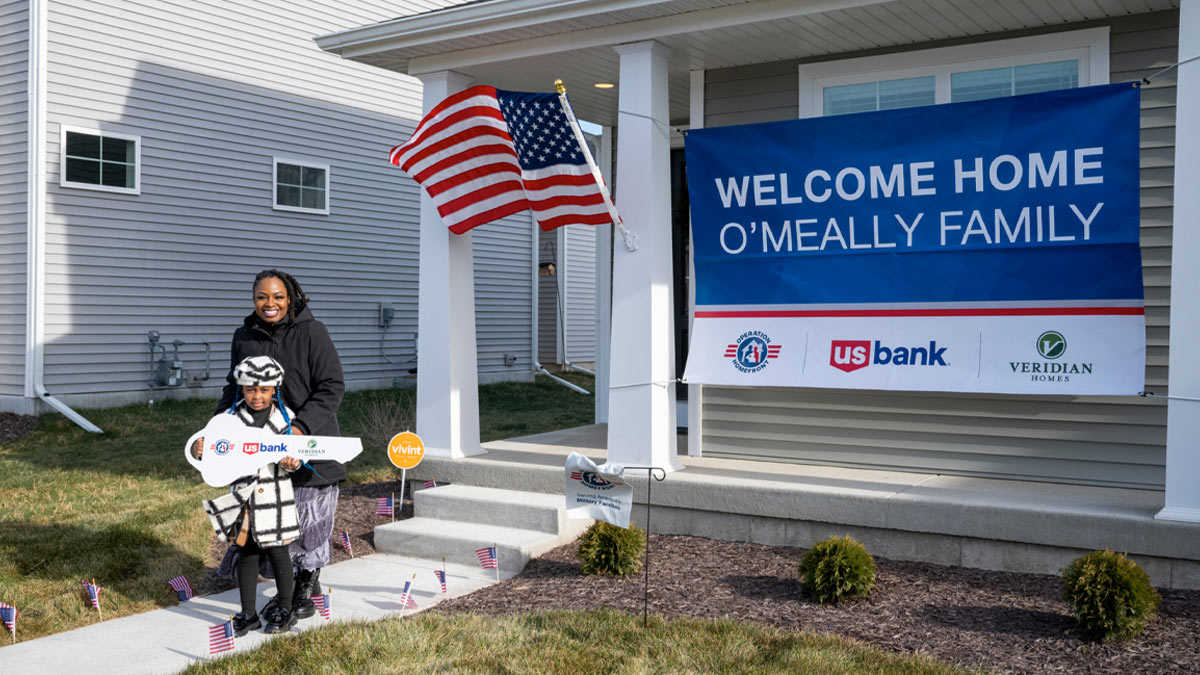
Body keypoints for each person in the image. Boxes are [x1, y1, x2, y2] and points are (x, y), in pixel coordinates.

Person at [214, 269, 345, 620]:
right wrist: (217, 431)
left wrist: (300, 429)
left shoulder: (311, 333)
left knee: (308, 518)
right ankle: (290, 582)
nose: (269, 304)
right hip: (257, 448)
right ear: (253, 299)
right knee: (267, 521)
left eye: (277, 297)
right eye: (262, 297)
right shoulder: (244, 336)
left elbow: (331, 386)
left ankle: (304, 583)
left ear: (291, 298)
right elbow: (232, 389)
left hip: (308, 439)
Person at [198, 355, 301, 635]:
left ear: (274, 390)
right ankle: (248, 613)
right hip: (244, 499)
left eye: (264, 390)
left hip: (275, 499)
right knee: (246, 552)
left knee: (280, 552)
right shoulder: (229, 420)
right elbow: (215, 452)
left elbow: (295, 456)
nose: (257, 396)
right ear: (242, 389)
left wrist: (293, 462)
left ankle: (284, 607)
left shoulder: (286, 419)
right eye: (251, 389)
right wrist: (202, 450)